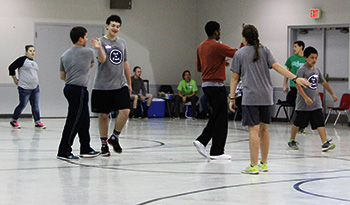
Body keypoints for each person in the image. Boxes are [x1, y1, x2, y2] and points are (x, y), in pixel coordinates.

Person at [229, 24, 310, 174]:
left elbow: (234, 78)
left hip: (250, 96)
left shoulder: (239, 53)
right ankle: (263, 163)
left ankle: (253, 166)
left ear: (244, 38)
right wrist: (296, 78)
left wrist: (232, 97)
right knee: (264, 130)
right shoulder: (265, 50)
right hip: (266, 96)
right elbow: (278, 67)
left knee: (253, 130)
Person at [193, 21, 238, 160]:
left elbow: (199, 68)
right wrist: (244, 42)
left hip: (206, 86)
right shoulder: (217, 46)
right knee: (222, 118)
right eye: (220, 30)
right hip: (216, 86)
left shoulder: (201, 47)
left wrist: (220, 62)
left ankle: (205, 142)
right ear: (216, 31)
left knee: (217, 116)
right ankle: (215, 150)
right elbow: (237, 53)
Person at [90, 15, 131, 157]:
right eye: (113, 25)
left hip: (120, 84)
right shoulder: (100, 41)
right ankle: (103, 144)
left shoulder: (122, 43)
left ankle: (114, 137)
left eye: (118, 26)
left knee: (125, 111)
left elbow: (125, 63)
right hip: (103, 85)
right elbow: (102, 59)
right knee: (103, 116)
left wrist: (129, 83)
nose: (115, 28)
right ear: (107, 25)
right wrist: (99, 48)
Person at [57, 26, 100, 160]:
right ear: (81, 39)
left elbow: (62, 76)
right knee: (74, 120)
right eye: (86, 37)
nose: (87, 39)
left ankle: (85, 147)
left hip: (69, 88)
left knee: (84, 120)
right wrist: (96, 46)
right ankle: (64, 150)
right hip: (79, 90)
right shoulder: (88, 52)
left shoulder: (64, 55)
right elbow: (92, 64)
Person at [287, 46, 337, 152]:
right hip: (303, 104)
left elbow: (324, 82)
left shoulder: (317, 70)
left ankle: (324, 142)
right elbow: (298, 86)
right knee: (298, 123)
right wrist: (305, 98)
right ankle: (291, 140)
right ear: (305, 58)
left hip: (316, 103)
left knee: (320, 122)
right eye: (311, 58)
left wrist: (332, 93)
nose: (314, 60)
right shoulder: (302, 70)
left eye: (315, 58)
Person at [8, 45, 46, 129]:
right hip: (25, 88)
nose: (32, 52)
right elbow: (11, 67)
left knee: (35, 105)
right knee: (22, 104)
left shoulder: (34, 63)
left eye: (33, 51)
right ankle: (14, 120)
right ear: (26, 52)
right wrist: (15, 79)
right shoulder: (22, 60)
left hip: (35, 87)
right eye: (30, 51)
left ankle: (37, 122)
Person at [283, 40, 306, 134]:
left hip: (303, 86)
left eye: (296, 46)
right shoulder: (291, 59)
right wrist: (285, 84)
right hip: (293, 85)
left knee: (302, 106)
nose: (294, 48)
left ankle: (302, 126)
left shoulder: (306, 59)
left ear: (301, 47)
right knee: (295, 105)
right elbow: (286, 72)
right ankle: (297, 125)